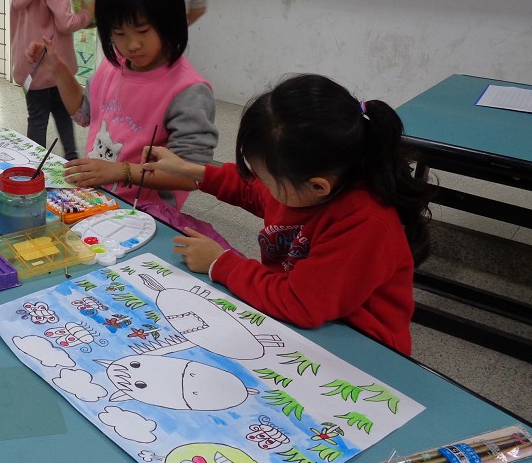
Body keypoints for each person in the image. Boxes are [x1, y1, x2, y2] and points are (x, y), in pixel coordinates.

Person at [142, 73, 432, 355]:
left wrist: (220, 263)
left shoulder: (366, 224)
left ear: (318, 186)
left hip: (360, 347)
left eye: (267, 180)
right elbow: (250, 189)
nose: (262, 186)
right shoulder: (308, 187)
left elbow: (301, 303)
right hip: (299, 315)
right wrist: (188, 170)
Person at [29, 0, 217, 211]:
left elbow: (191, 176)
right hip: (95, 199)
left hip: (146, 214)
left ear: (169, 20)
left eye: (143, 31)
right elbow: (83, 113)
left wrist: (120, 171)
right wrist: (59, 69)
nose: (132, 45)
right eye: (119, 33)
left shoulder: (188, 91)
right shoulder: (113, 65)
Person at [3, 0, 92, 160]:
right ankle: (72, 159)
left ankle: (34, 166)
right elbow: (65, 23)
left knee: (37, 118)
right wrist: (87, 15)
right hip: (54, 64)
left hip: (29, 64)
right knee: (64, 112)